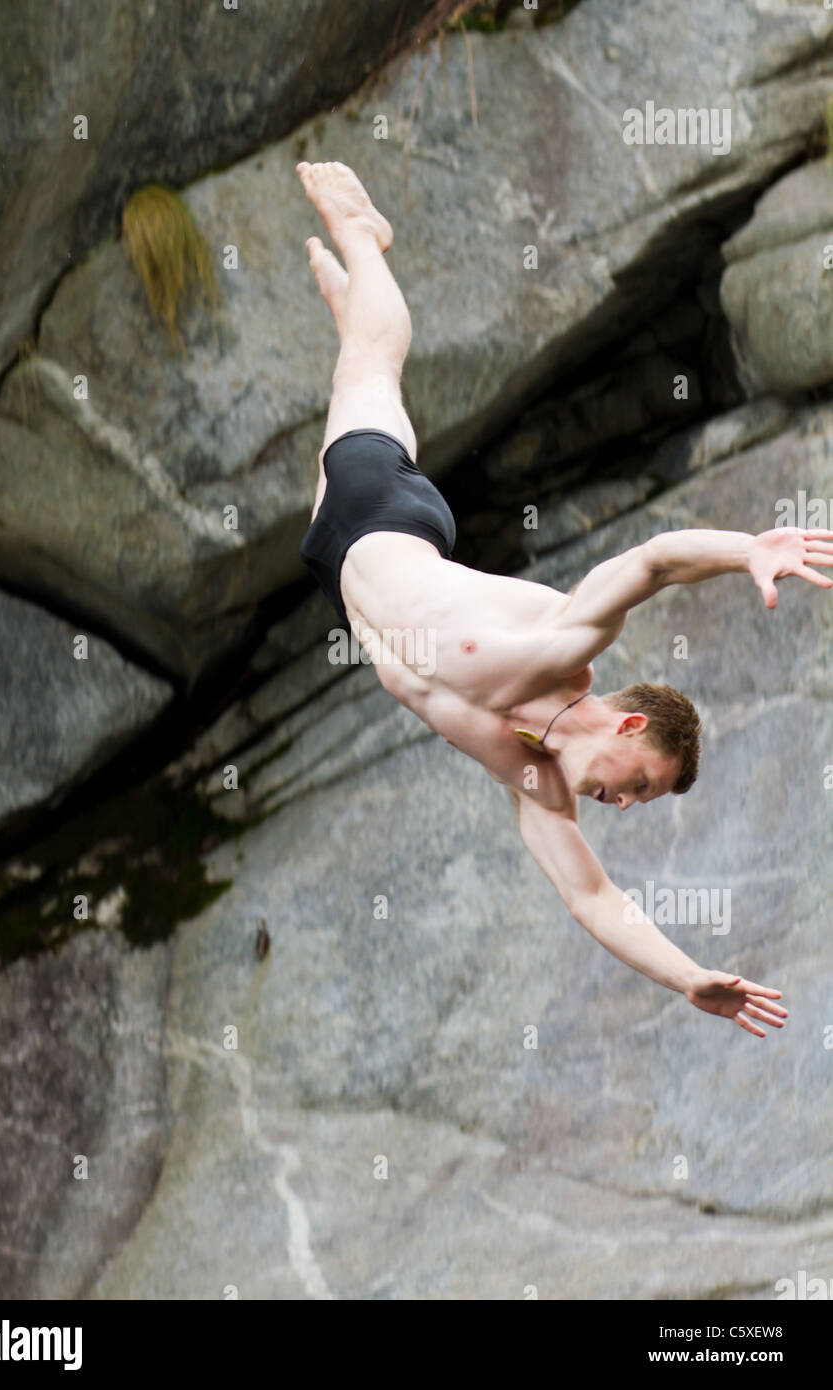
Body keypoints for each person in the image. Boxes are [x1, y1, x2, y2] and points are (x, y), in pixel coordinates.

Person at [297, 160, 833, 1036]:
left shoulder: (537, 779)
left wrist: (688, 977)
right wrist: (750, 551)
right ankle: (364, 239)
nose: (623, 805)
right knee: (369, 369)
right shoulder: (561, 645)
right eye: (641, 785)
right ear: (628, 727)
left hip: (336, 577)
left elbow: (593, 898)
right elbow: (655, 561)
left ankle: (349, 296)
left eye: (636, 804)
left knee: (356, 375)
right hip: (381, 517)